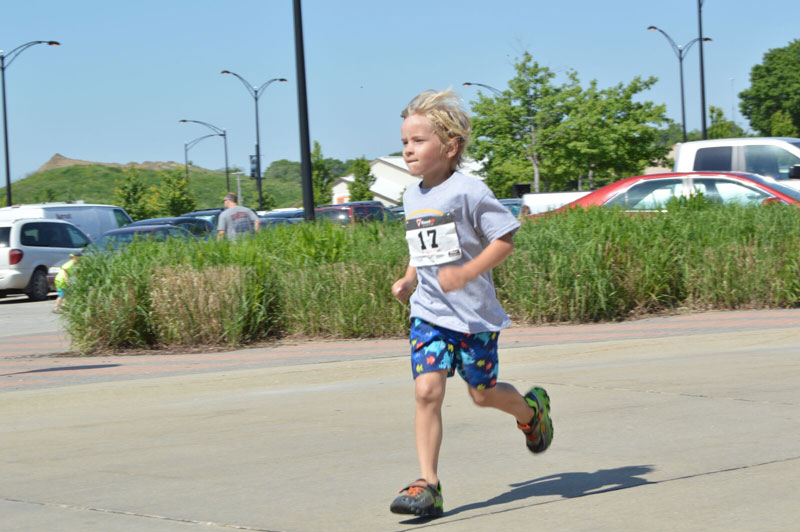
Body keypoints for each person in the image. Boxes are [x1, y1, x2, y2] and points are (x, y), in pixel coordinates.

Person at [389, 89, 554, 518]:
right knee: (427, 391)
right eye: (404, 141)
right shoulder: (412, 196)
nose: (408, 149)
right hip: (428, 313)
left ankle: (531, 411)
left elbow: (505, 239)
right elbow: (421, 248)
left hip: (474, 317)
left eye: (418, 141)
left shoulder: (470, 192)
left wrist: (465, 274)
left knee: (482, 395)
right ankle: (429, 484)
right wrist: (409, 277)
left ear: (450, 146)